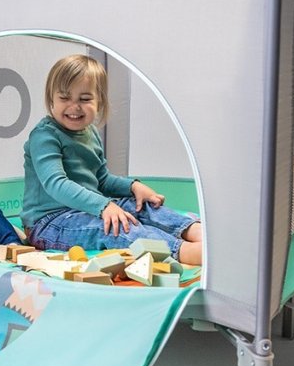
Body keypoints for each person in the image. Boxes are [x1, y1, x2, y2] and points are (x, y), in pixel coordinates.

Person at [21, 54, 203, 265]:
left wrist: (133, 187)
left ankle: (193, 230)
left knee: (138, 207)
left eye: (85, 99)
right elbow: (56, 183)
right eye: (64, 98)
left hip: (87, 208)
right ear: (51, 99)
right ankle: (182, 251)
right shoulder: (44, 136)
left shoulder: (90, 133)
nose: (74, 106)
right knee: (115, 226)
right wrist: (103, 206)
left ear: (99, 102)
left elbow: (101, 180)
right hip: (49, 222)